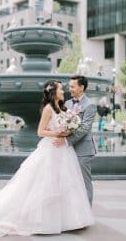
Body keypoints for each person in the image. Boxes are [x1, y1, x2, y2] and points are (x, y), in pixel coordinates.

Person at [0, 80, 94, 237]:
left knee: (66, 183)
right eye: (60, 89)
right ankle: (41, 219)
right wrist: (57, 133)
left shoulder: (64, 107)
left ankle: (66, 219)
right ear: (53, 92)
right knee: (46, 183)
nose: (63, 90)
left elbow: (72, 125)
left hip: (64, 150)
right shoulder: (48, 108)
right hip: (51, 148)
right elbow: (40, 132)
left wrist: (66, 132)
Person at [54, 75, 96, 206]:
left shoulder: (90, 105)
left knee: (84, 182)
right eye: (69, 86)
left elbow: (84, 128)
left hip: (83, 150)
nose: (70, 89)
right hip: (68, 150)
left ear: (81, 87)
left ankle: (87, 211)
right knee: (70, 182)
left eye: (72, 86)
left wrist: (66, 141)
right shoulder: (67, 103)